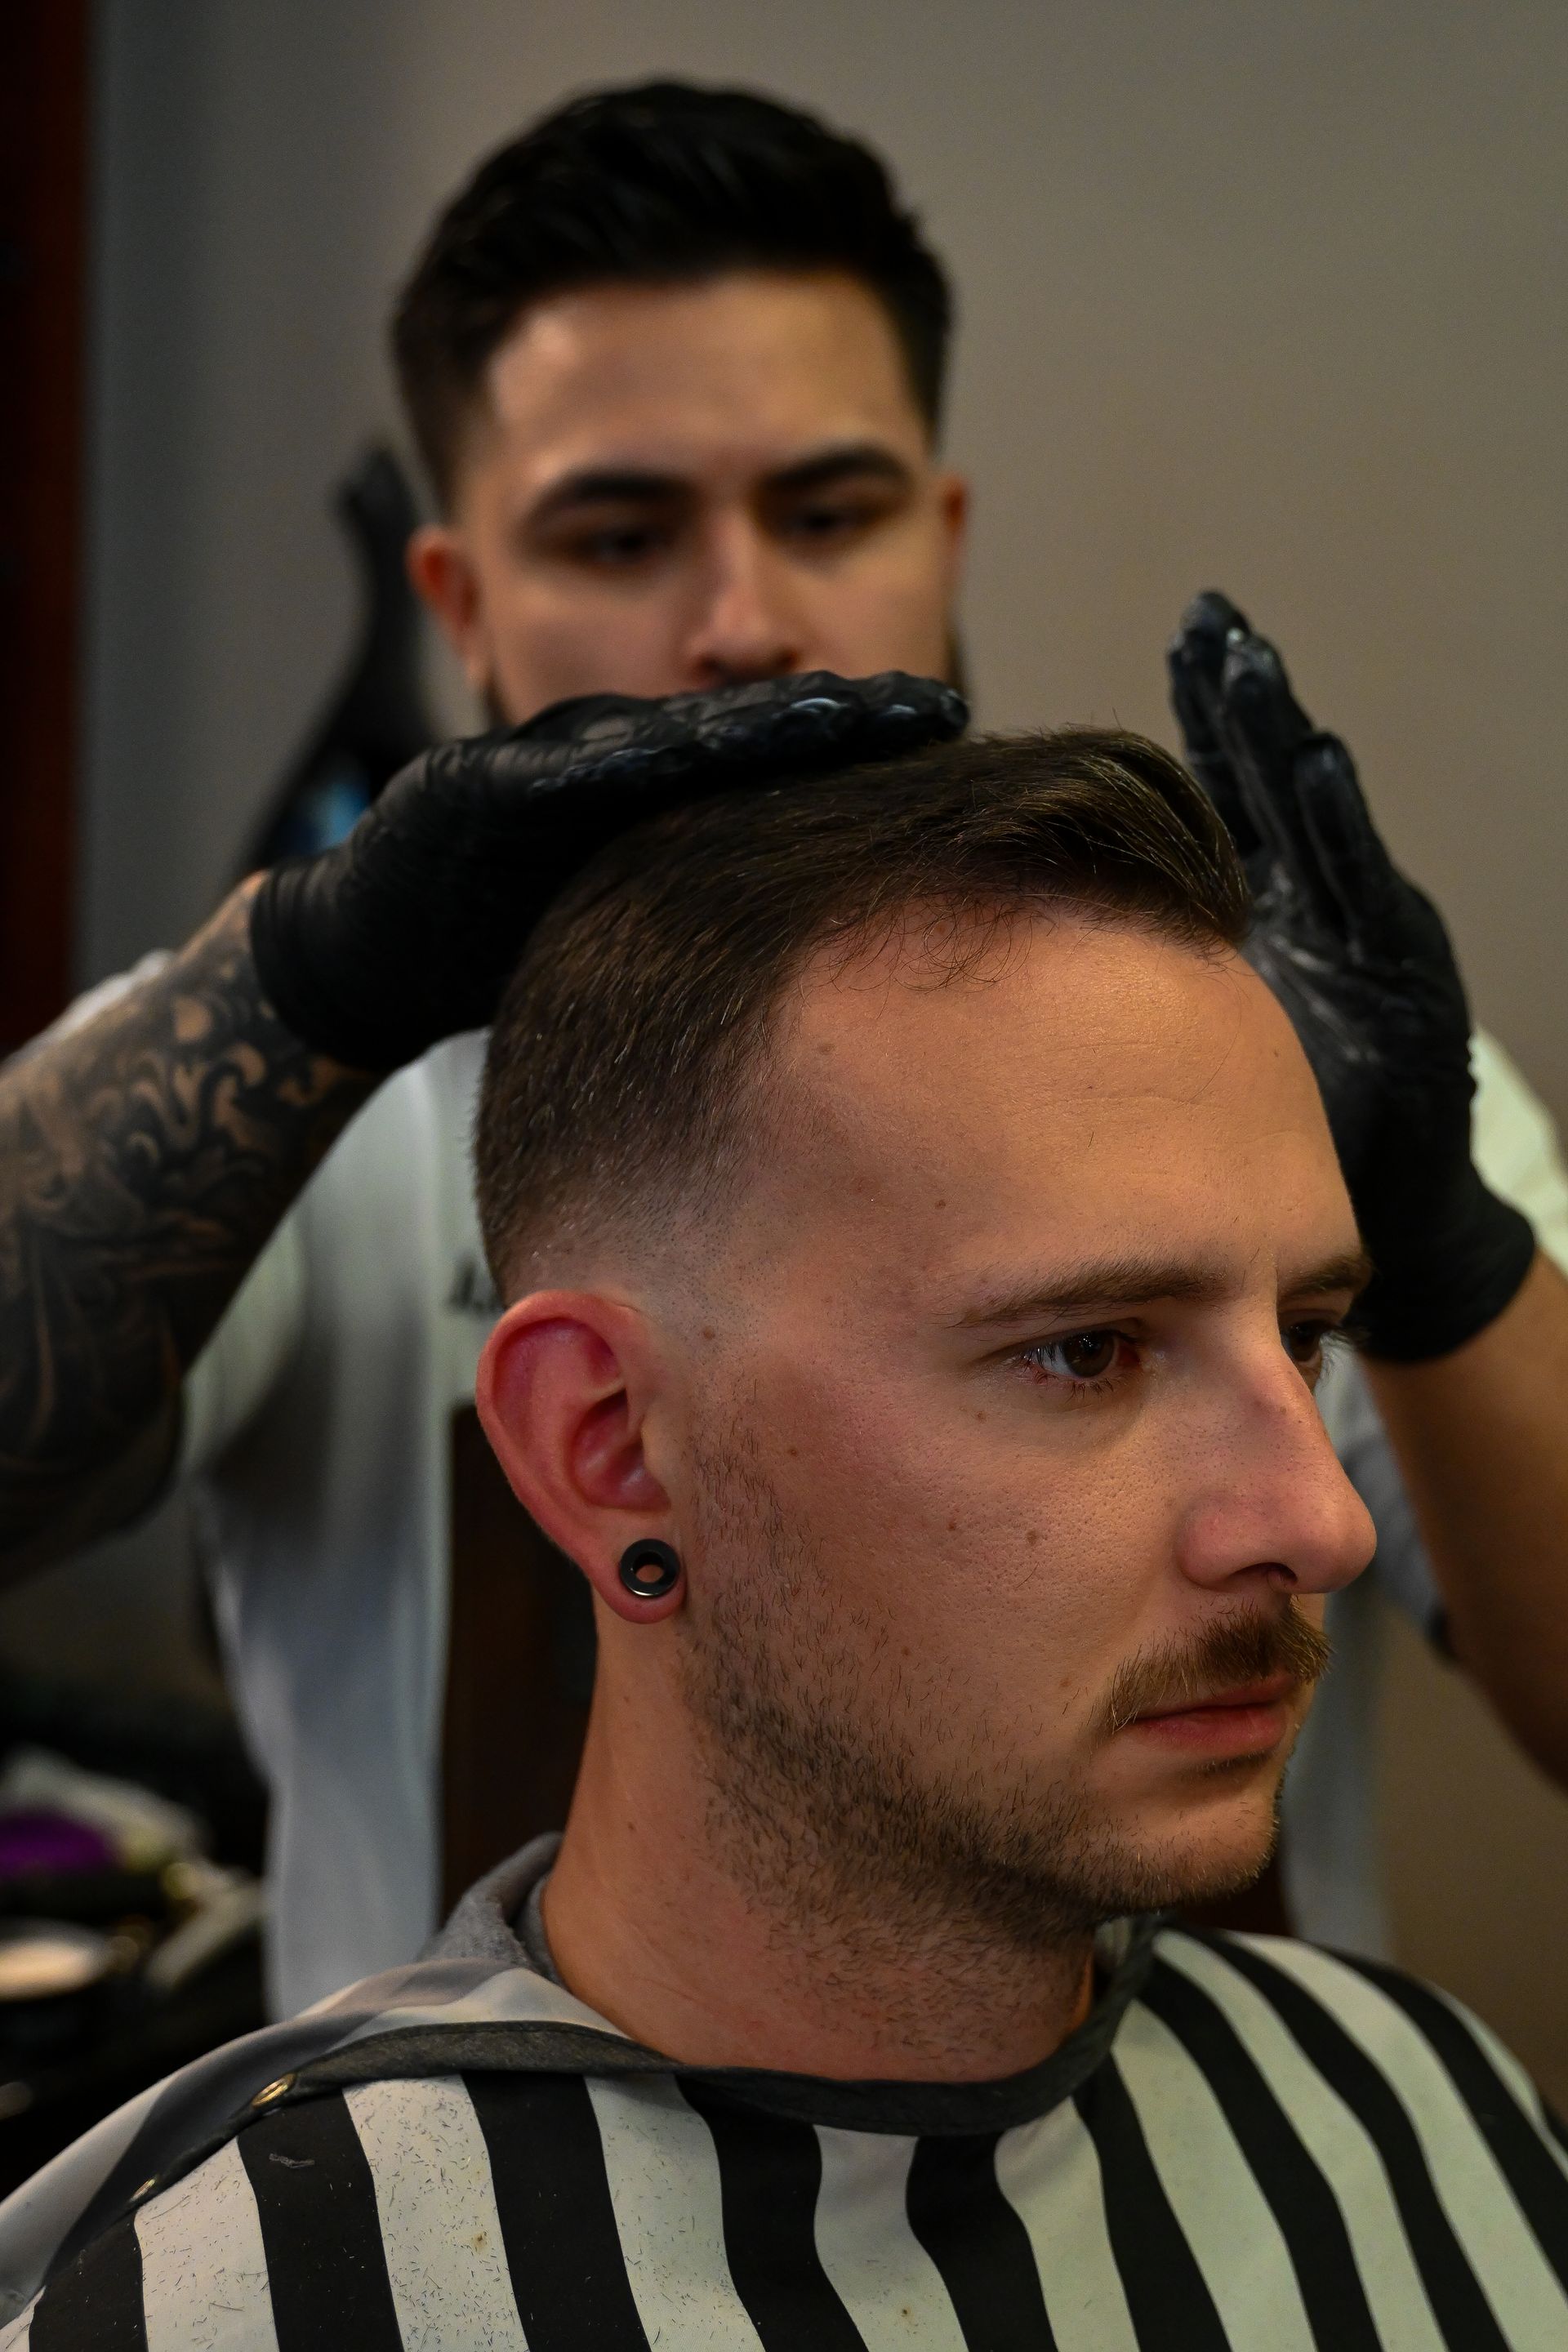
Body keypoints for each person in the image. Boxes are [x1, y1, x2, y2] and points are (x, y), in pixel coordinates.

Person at [2, 83, 1567, 2015]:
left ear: (944, 524)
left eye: (829, 511)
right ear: (462, 605)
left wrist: (1438, 1243)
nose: (743, 622)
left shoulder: (1277, 1079)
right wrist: (300, 988)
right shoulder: (285, 1087)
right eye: (622, 530)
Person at [6, 730, 1566, 2348]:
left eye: (1306, 1334)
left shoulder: (1433, 2125)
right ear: (613, 1450)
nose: (1319, 1521)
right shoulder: (232, 2303)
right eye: (1088, 1349)